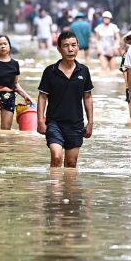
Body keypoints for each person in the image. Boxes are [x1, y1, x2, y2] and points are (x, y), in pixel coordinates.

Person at [37, 31, 95, 167]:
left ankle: (68, 188)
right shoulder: (50, 71)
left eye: (74, 45)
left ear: (78, 47)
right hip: (54, 123)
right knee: (56, 157)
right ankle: (54, 187)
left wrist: (90, 122)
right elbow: (42, 97)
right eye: (66, 46)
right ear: (59, 49)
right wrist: (40, 120)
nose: (70, 49)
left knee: (71, 163)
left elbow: (87, 97)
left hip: (76, 124)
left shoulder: (83, 71)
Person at [0, 35, 33, 130]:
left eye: (5, 44)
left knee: (6, 130)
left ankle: (2, 146)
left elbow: (15, 84)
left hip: (9, 98)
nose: (3, 46)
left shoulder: (15, 64)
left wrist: (25, 95)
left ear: (10, 46)